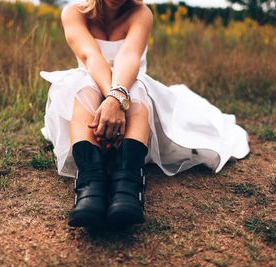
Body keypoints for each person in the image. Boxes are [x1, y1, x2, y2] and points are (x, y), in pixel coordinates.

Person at [40, 0, 250, 228]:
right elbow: (91, 57)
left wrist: (116, 98)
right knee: (81, 85)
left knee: (137, 89)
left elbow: (129, 56)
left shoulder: (141, 13)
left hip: (129, 86)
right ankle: (90, 183)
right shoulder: (74, 12)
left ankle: (128, 183)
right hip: (92, 87)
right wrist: (110, 99)